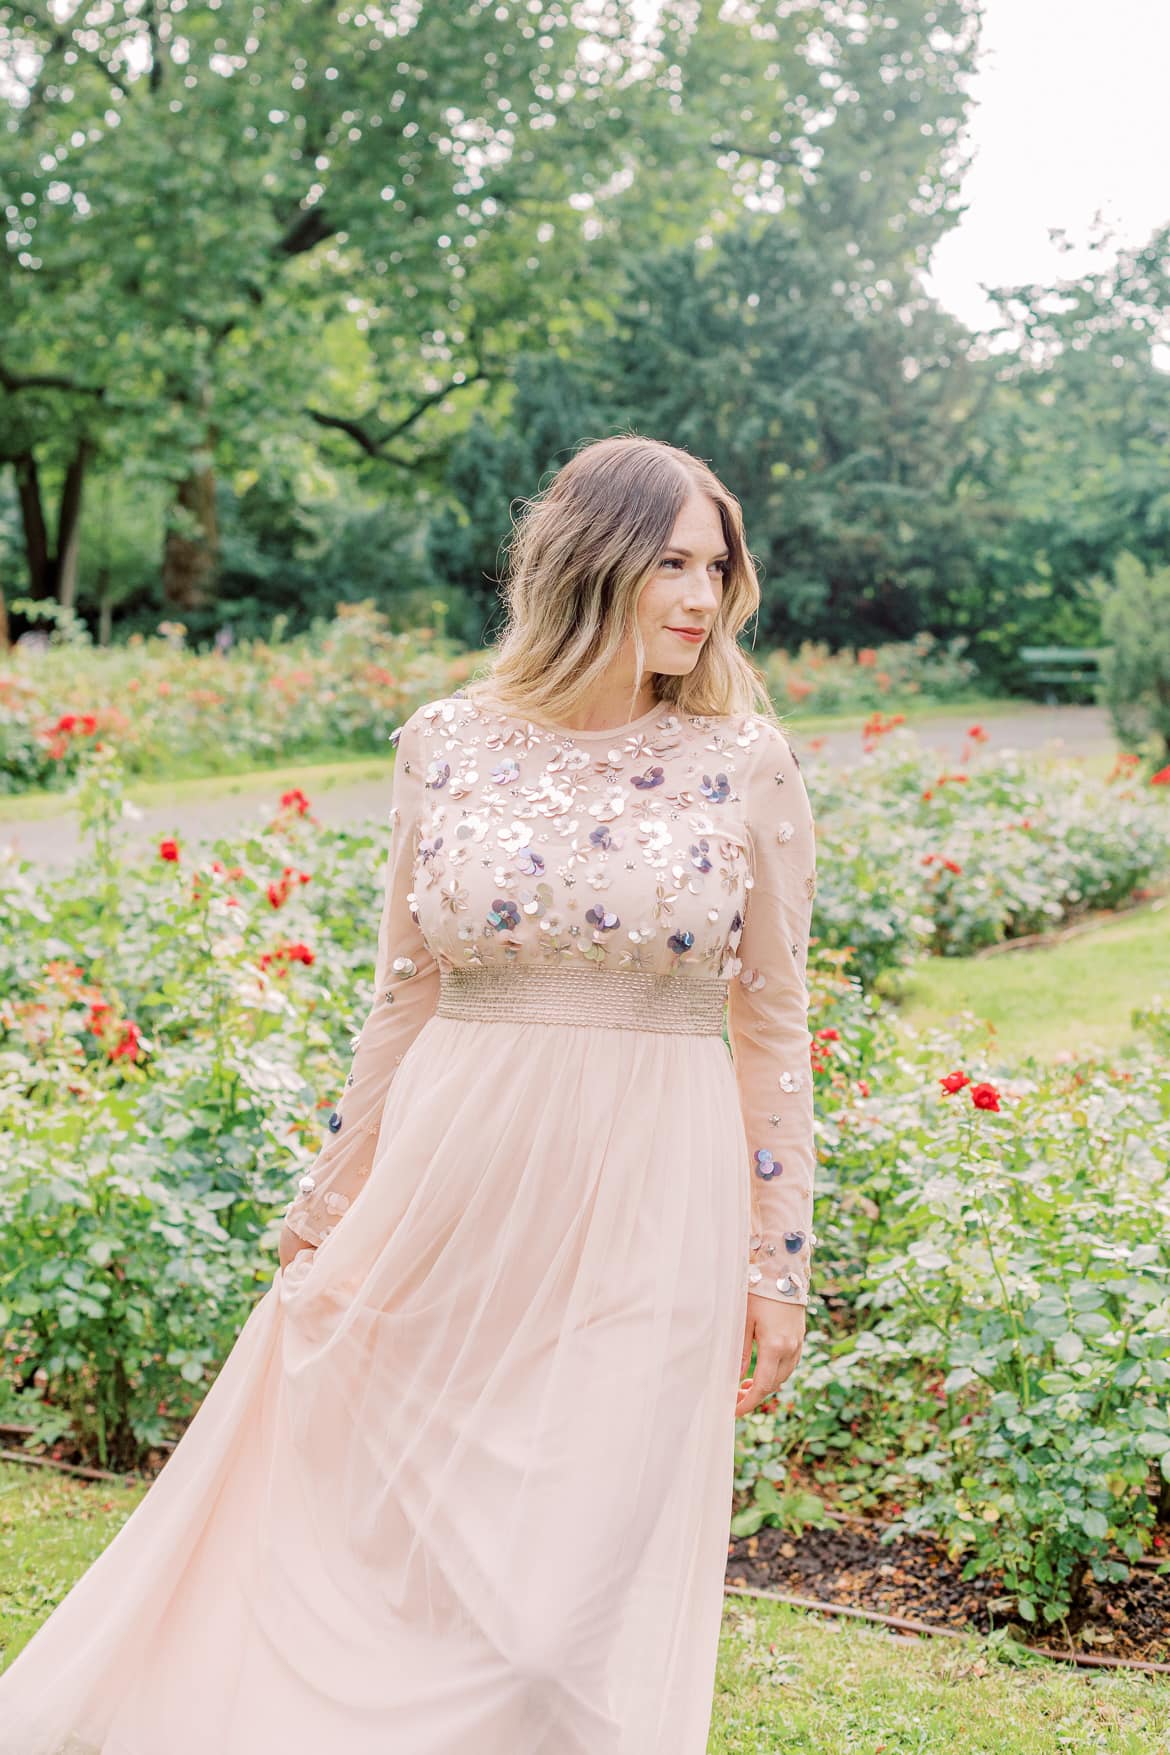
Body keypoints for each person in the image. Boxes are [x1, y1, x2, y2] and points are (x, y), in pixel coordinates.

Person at [0, 433, 818, 1755]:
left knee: (553, 1636)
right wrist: (329, 1197)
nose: (698, 595)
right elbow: (405, 989)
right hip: (451, 1183)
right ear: (584, 561)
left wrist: (777, 1264)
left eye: (715, 565)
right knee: (393, 1551)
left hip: (651, 1199)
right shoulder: (445, 743)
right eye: (668, 560)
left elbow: (771, 1018)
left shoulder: (746, 762)